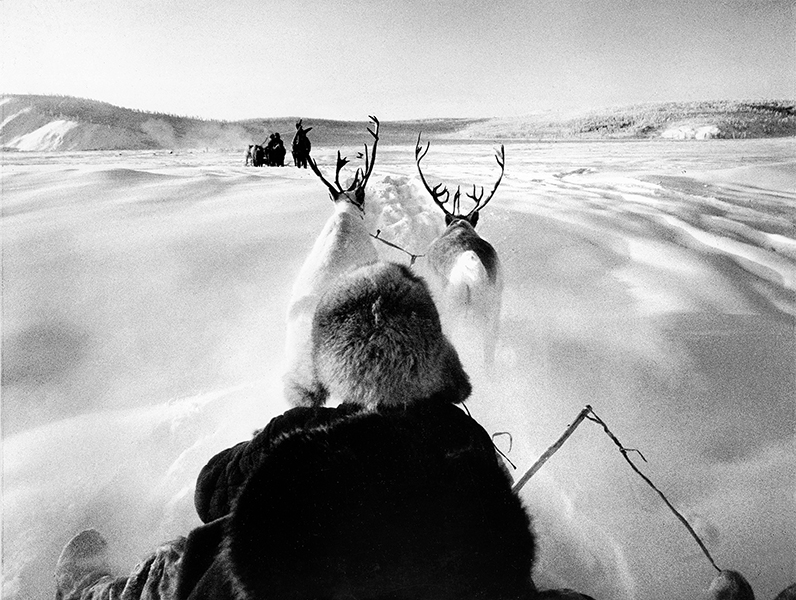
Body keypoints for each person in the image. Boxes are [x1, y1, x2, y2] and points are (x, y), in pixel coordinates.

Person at [55, 263, 589, 600]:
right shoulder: (465, 438)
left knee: (187, 557)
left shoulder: (303, 430)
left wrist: (264, 441)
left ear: (330, 361)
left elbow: (208, 489)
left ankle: (96, 593)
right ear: (434, 357)